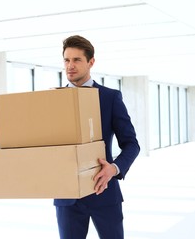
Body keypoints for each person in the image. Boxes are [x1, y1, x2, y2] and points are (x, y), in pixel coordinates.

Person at [54, 35, 140, 239]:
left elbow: (131, 144)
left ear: (91, 62)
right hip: (67, 196)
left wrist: (115, 168)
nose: (70, 66)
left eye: (77, 60)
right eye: (66, 60)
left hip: (104, 192)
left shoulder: (110, 97)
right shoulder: (53, 100)